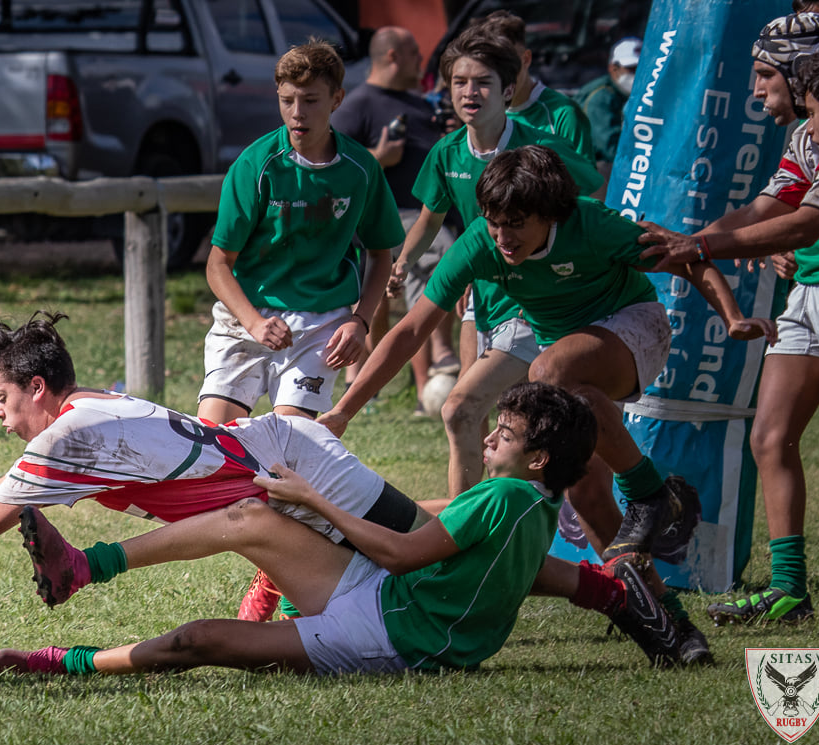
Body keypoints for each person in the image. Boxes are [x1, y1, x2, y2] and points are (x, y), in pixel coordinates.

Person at [325, 145, 779, 665]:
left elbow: (685, 257)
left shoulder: (593, 225)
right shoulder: (481, 242)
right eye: (494, 224)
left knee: (548, 375)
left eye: (516, 224)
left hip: (636, 328)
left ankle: (651, 494)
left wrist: (732, 315)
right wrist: (343, 411)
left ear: (552, 214)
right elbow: (409, 330)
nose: (502, 238)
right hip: (570, 369)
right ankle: (669, 625)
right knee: (586, 494)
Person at [0, 382, 682, 677]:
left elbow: (404, 553)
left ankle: (65, 662)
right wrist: (619, 599)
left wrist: (315, 500)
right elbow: (534, 575)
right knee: (249, 517)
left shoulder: (502, 496)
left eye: (505, 432)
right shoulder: (529, 509)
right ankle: (86, 567)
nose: (491, 434)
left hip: (392, 636)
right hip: (383, 600)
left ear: (536, 458)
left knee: (198, 640)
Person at [0, 312, 432, 565]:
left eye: (1, 399)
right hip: (283, 461)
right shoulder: (85, 407)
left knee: (435, 552)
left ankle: (506, 517)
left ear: (36, 389)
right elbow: (2, 494)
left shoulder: (71, 434)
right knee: (420, 556)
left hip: (298, 466)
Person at [638, 17, 819, 624]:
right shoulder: (806, 139)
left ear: (799, 73)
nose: (756, 91)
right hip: (807, 294)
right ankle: (789, 589)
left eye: (763, 75)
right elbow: (765, 209)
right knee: (768, 437)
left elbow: (804, 223)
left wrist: (698, 249)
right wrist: (686, 240)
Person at [386, 31, 602, 496]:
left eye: (482, 82)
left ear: (508, 89)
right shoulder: (447, 153)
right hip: (479, 301)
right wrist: (402, 261)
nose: (469, 92)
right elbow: (430, 218)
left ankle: (503, 527)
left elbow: (592, 195)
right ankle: (473, 527)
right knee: (477, 419)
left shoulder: (540, 147)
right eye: (459, 82)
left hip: (537, 303)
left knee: (497, 414)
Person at [197, 39, 403, 427]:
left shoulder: (360, 169)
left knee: (290, 440)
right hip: (246, 317)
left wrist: (360, 321)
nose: (296, 113)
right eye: (287, 100)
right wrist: (255, 323)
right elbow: (218, 265)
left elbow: (380, 253)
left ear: (337, 99)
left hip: (320, 320)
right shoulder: (255, 166)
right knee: (212, 439)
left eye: (310, 100)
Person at [330, 26, 460, 411]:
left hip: (433, 214)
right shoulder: (359, 105)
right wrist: (378, 158)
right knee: (440, 257)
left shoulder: (419, 103)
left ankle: (426, 389)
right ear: (393, 57)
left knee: (425, 276)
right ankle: (441, 352)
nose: (422, 63)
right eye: (415, 55)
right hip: (387, 219)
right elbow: (331, 166)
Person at [471, 10, 594, 161]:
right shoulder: (479, 113)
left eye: (509, 63)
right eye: (492, 65)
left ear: (526, 59)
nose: (502, 74)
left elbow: (585, 182)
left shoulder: (563, 115)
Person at [574, 37, 641, 169]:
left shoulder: (633, 95)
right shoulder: (600, 98)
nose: (637, 74)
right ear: (613, 68)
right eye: (631, 69)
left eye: (641, 69)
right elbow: (611, 148)